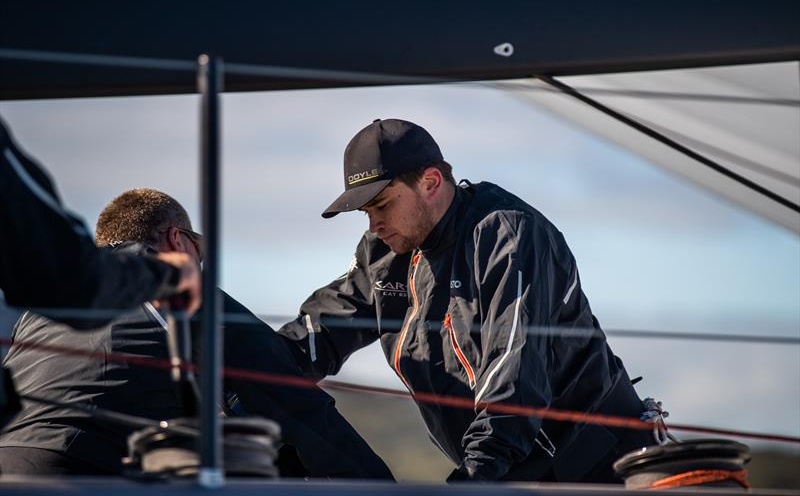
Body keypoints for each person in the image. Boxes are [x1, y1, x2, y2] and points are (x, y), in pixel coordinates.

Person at [279, 119, 655, 483]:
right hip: (510, 471)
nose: (373, 225)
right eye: (366, 213)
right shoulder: (383, 254)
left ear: (430, 182)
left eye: (382, 205)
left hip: (598, 472)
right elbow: (319, 334)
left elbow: (514, 382)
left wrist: (473, 478)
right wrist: (243, 366)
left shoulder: (506, 237)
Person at [0, 188, 392, 480]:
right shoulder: (176, 286)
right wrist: (384, 489)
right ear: (177, 241)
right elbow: (291, 403)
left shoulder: (50, 301)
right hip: (83, 472)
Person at [0, 118, 200, 315]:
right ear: (176, 240)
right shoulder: (197, 304)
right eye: (197, 253)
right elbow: (75, 277)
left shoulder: (28, 321)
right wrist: (171, 275)